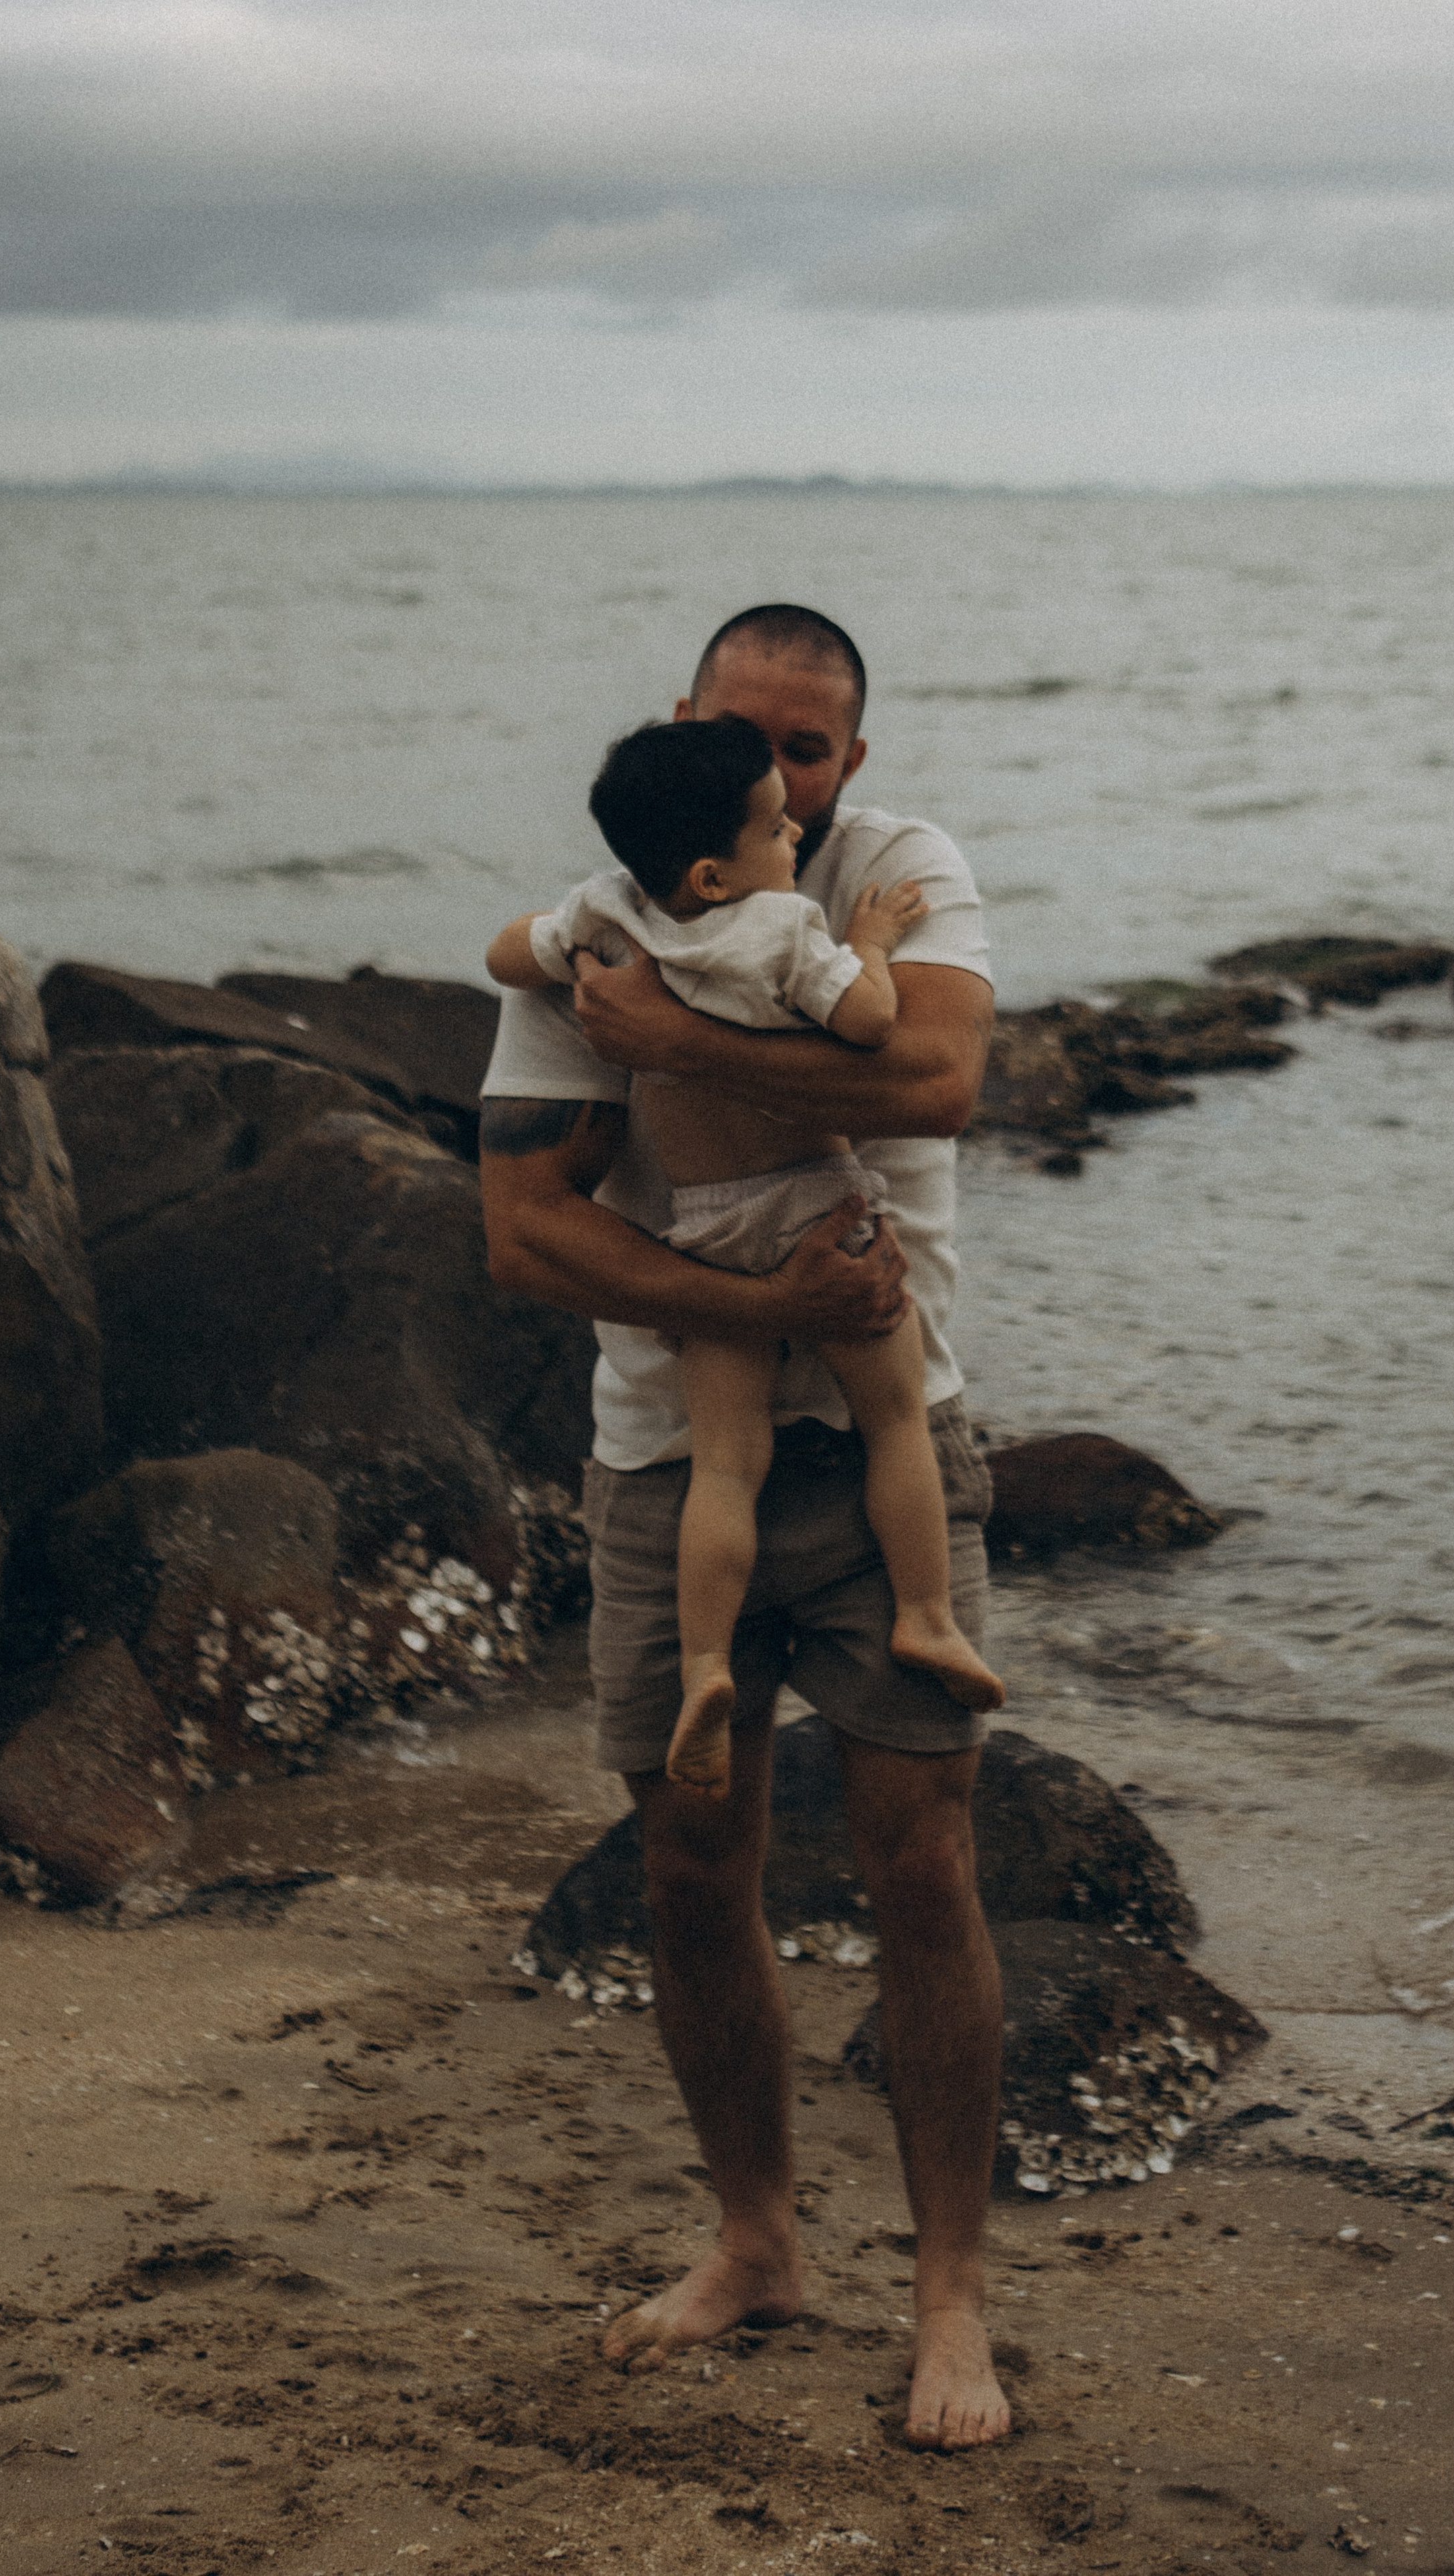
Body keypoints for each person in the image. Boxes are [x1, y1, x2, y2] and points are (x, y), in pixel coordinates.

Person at [477, 603, 1010, 2451]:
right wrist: (769, 1304)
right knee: (694, 1866)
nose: (779, 772)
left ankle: (951, 2306)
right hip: (669, 1448)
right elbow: (526, 1229)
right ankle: (758, 2243)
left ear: (846, 766)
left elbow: (939, 1080)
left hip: (888, 1452)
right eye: (741, 735)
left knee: (921, 1862)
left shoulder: (894, 871)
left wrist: (657, 1036)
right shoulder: (604, 906)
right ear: (680, 729)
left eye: (809, 749)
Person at [484, 713, 1003, 1803]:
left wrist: (576, 954)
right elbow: (869, 1024)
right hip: (822, 1215)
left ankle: (707, 1665)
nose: (792, 839)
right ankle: (926, 1617)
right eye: (774, 827)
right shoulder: (779, 926)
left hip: (706, 1228)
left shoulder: (608, 921)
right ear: (720, 870)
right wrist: (863, 941)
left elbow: (500, 953)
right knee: (896, 1419)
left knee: (725, 1464)